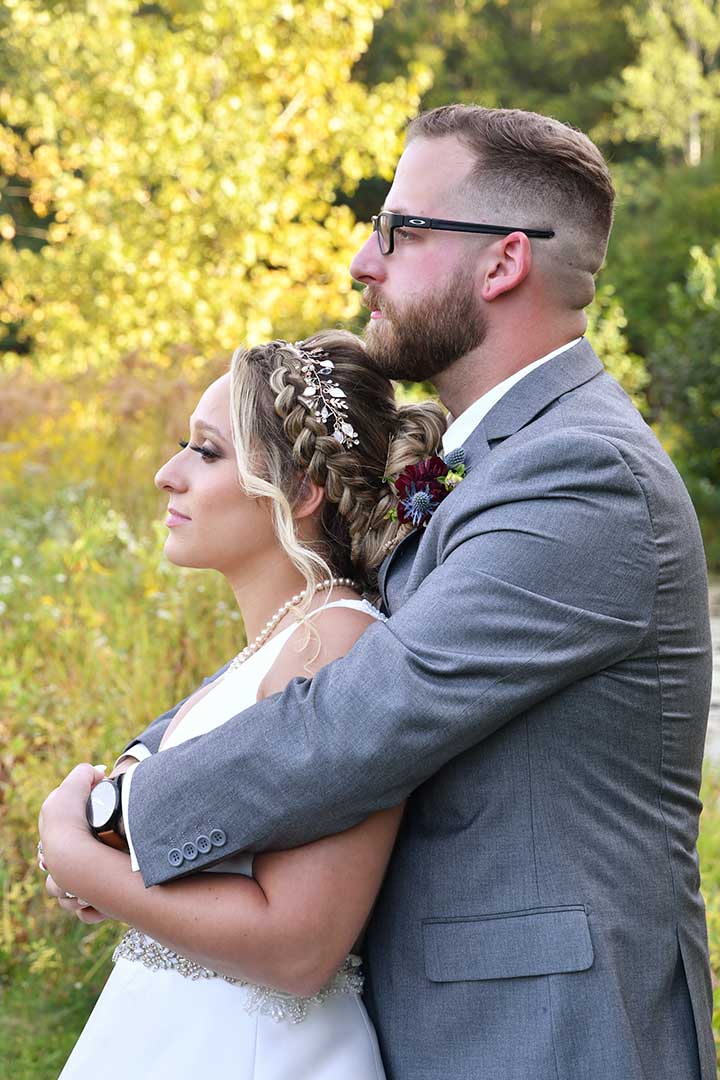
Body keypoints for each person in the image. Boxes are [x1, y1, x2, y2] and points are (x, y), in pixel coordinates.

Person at [47, 103, 715, 1080]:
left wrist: (119, 818)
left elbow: (367, 711)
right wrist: (141, 762)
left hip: (543, 1038)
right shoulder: (490, 463)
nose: (365, 262)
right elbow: (308, 639)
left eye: (399, 231)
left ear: (502, 263)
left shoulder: (586, 474)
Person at [38, 330, 447, 1079]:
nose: (168, 475)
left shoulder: (336, 647)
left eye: (206, 451)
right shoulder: (280, 643)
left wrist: (78, 860)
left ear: (300, 490)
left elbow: (300, 946)